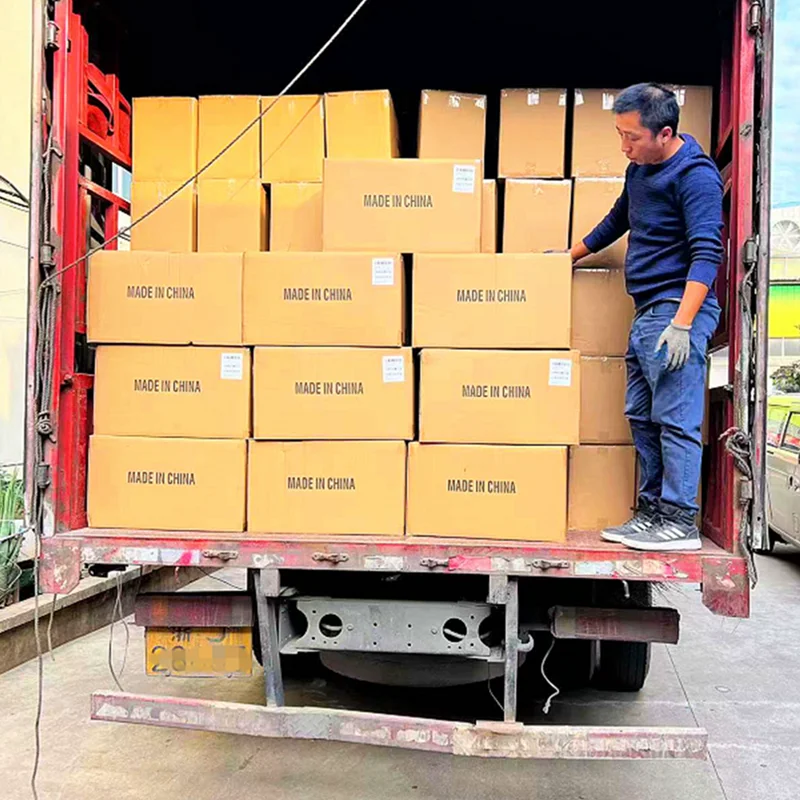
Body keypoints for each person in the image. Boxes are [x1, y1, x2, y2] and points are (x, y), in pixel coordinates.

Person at [569, 83, 723, 552]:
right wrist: (567, 257)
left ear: (665, 133)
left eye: (632, 137)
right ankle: (652, 511)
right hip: (646, 312)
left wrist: (683, 324)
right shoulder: (639, 170)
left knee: (675, 420)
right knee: (641, 415)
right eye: (620, 135)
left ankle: (678, 520)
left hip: (675, 311)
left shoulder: (695, 176)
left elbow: (707, 253)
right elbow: (619, 219)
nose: (624, 146)